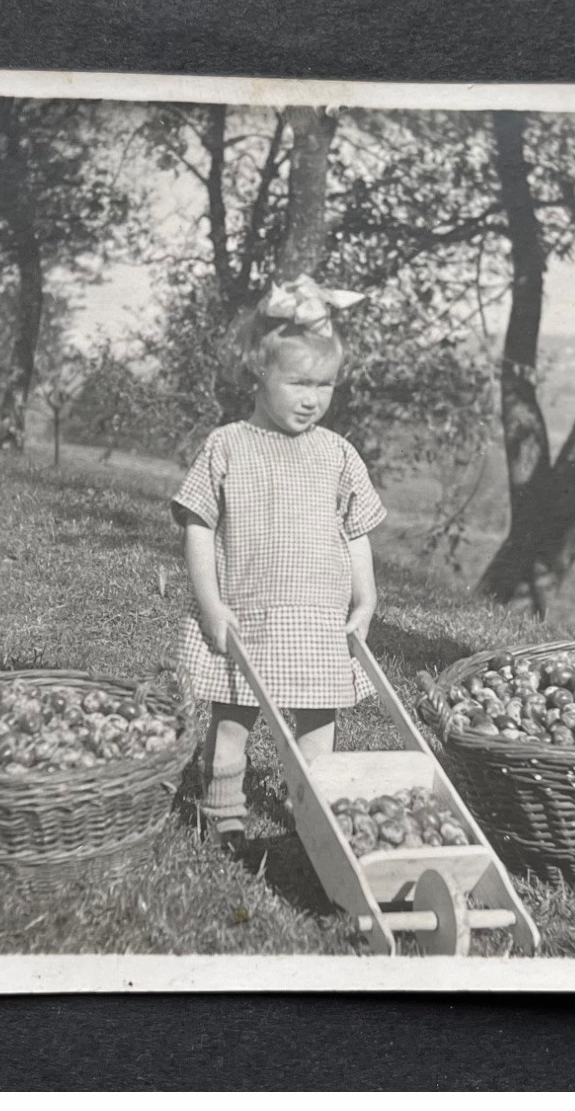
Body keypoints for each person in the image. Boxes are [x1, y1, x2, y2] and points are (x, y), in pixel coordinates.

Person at [171, 276, 385, 852]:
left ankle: (309, 810)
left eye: (326, 384)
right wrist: (211, 604)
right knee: (234, 718)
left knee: (318, 724)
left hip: (318, 618)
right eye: (298, 382)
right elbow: (198, 524)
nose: (312, 398)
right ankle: (222, 809)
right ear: (258, 373)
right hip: (247, 610)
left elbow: (356, 530)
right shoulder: (227, 445)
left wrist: (365, 599)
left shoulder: (337, 453)